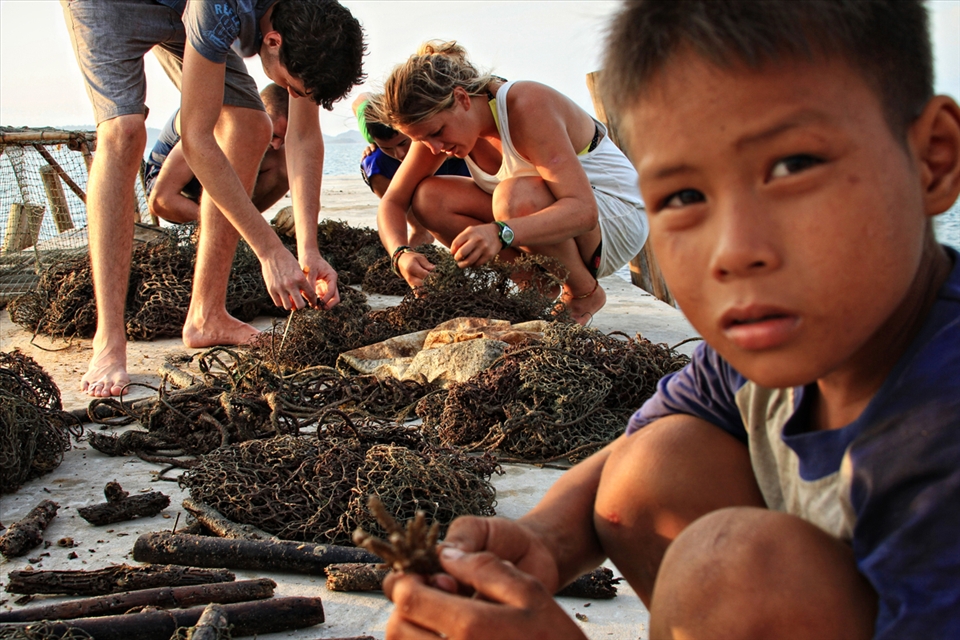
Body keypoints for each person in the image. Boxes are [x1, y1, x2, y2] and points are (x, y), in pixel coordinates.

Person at [381, 1, 960, 639]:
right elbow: (642, 445)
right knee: (652, 469)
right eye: (685, 196)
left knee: (739, 560)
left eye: (794, 167)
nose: (733, 250)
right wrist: (541, 540)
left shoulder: (940, 423)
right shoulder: (767, 351)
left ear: (932, 158)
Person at [61, 0, 364, 397]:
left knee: (250, 125)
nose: (290, 95)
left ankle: (207, 315)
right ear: (272, 40)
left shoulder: (308, 22)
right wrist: (270, 250)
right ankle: (109, 339)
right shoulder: (217, 11)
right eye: (290, 87)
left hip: (191, 10)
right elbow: (197, 140)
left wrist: (308, 249)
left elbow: (304, 137)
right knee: (124, 132)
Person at [371, 42, 649, 324]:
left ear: (462, 98)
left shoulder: (526, 104)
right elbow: (393, 201)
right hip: (548, 221)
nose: (434, 148)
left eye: (437, 133)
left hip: (615, 218)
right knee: (427, 198)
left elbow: (583, 212)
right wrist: (400, 254)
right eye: (421, 140)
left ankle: (582, 293)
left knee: (512, 197)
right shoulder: (436, 128)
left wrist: (500, 233)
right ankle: (535, 285)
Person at [145, 83, 292, 224]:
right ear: (260, 115)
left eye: (283, 139)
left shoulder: (271, 143)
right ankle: (229, 226)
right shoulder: (219, 119)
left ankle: (239, 226)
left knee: (288, 162)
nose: (277, 145)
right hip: (170, 185)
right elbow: (160, 201)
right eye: (274, 135)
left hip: (217, 183)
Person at [351, 92, 470, 247]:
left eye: (403, 143)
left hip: (458, 166)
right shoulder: (371, 127)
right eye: (387, 147)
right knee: (373, 160)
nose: (399, 154)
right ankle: (420, 229)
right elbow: (360, 101)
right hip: (417, 168)